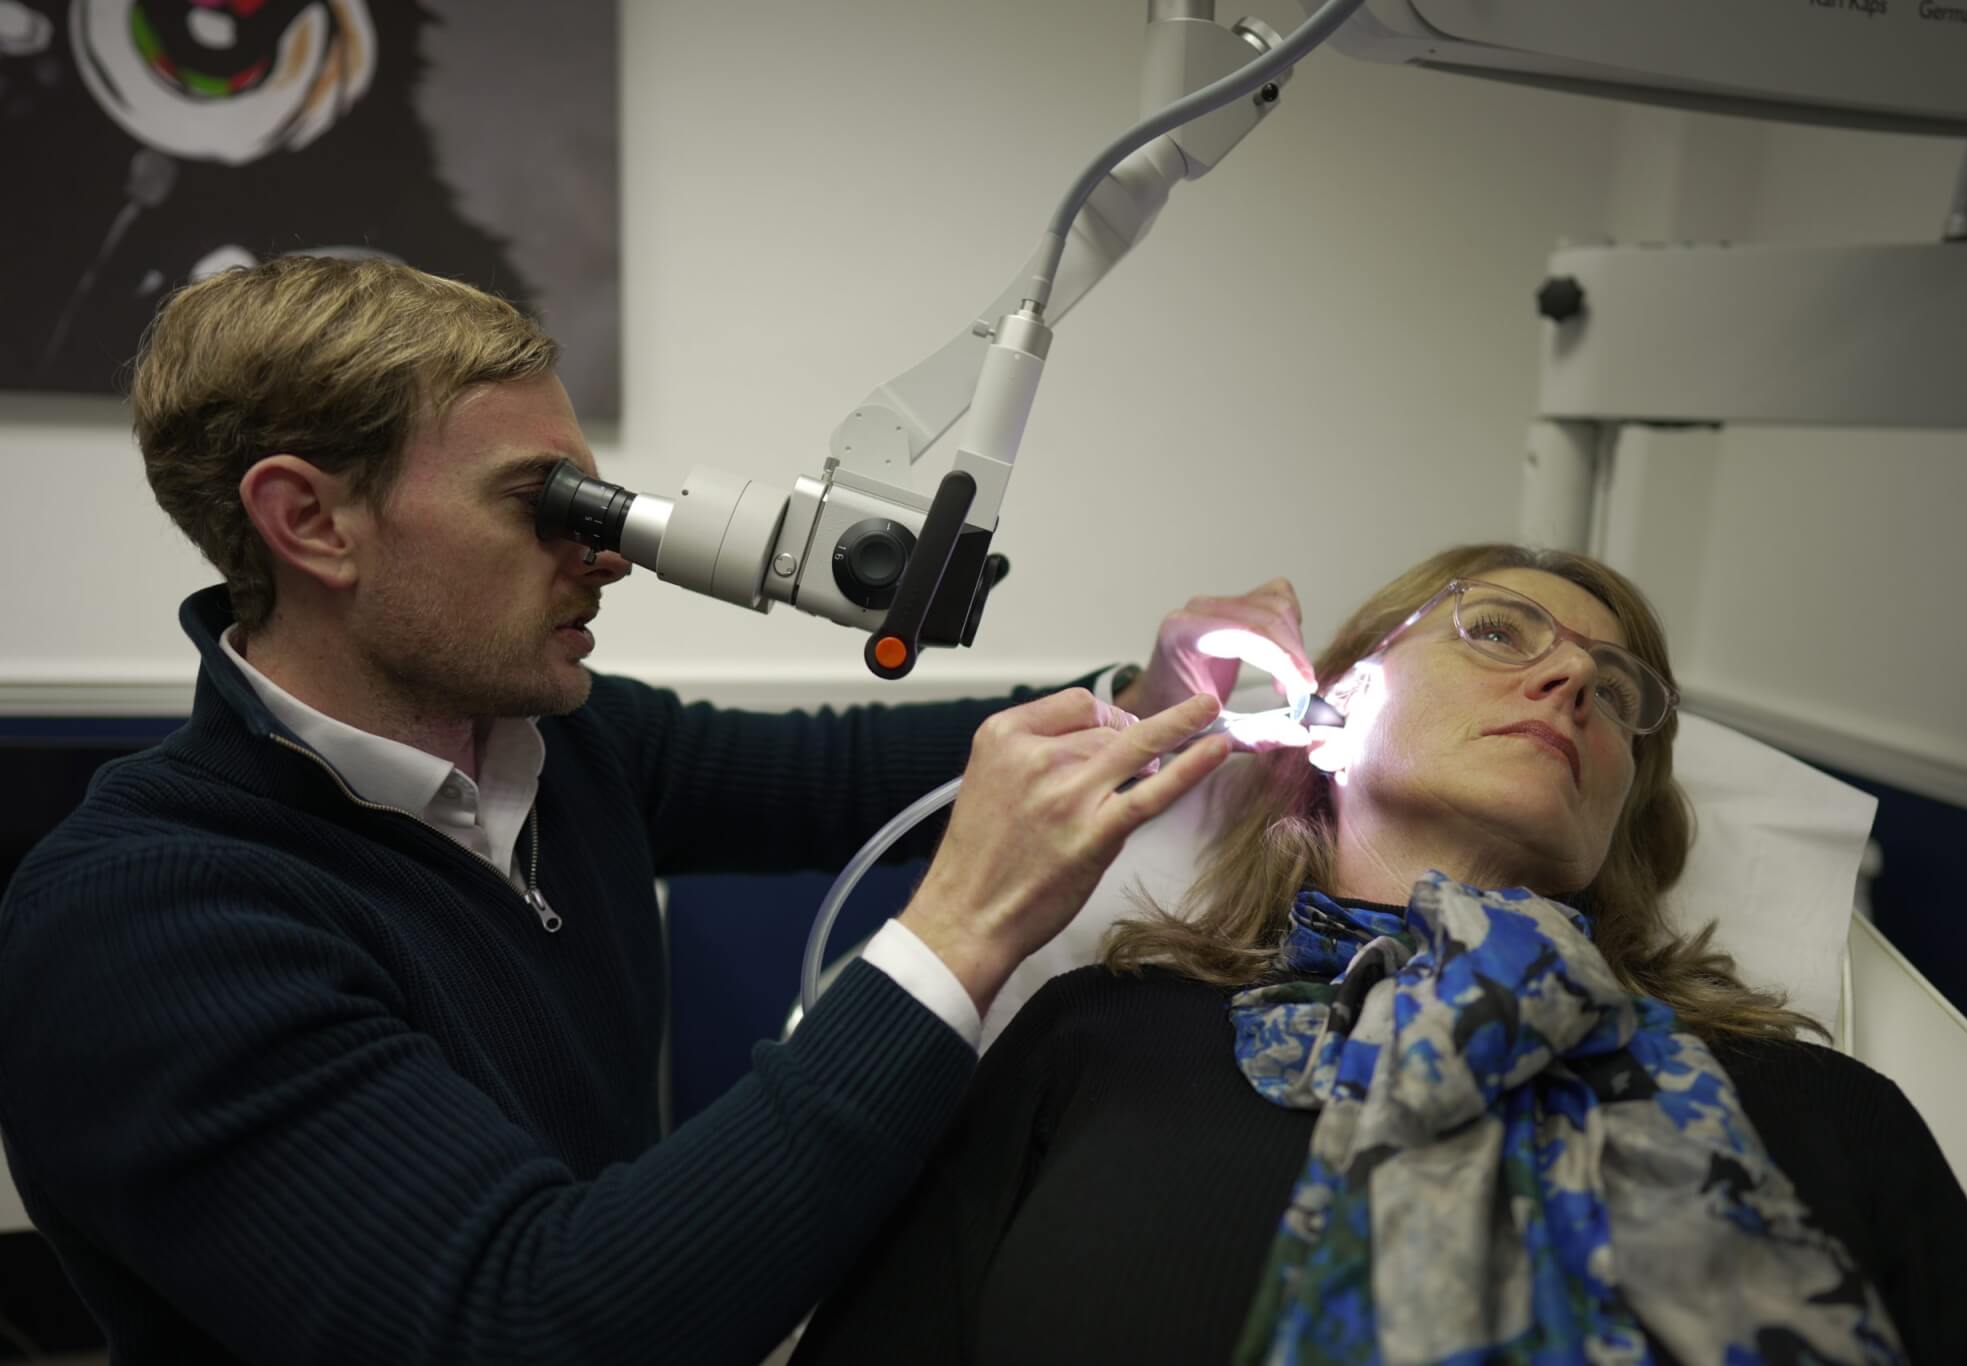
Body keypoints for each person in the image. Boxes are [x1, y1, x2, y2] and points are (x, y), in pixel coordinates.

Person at [0, 255, 1321, 1365]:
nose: (610, 549)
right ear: (311, 522)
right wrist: (964, 926)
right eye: (544, 505)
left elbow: (852, 775)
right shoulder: (147, 925)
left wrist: (1148, 691)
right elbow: (536, 1322)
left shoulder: (562, 743)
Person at [793, 544, 1967, 1365]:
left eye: (1617, 693)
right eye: (1499, 632)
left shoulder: (1822, 1110)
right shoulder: (1098, 1035)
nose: (1568, 679)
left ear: (1624, 814)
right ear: (1331, 699)